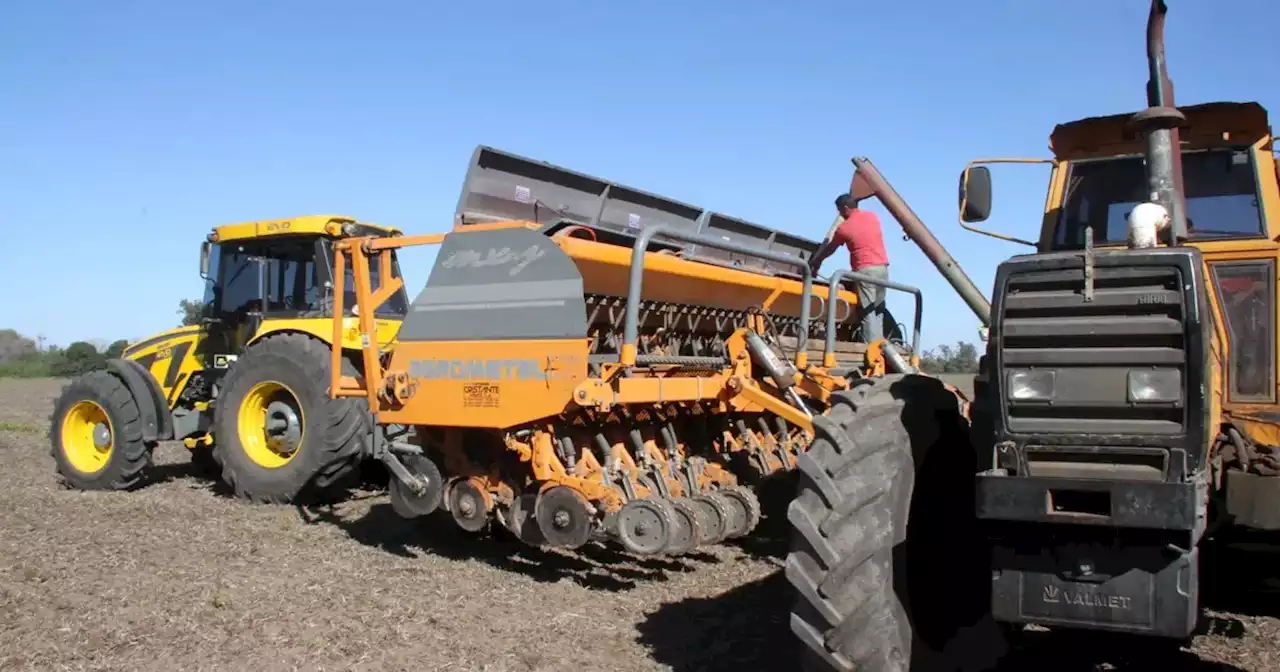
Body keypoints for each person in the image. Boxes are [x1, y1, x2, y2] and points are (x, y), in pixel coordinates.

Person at [808, 193, 890, 342]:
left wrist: (816, 261)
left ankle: (869, 350)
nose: (839, 214)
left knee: (866, 311)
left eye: (839, 210)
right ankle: (880, 347)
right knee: (878, 310)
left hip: (865, 270)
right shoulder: (873, 216)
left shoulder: (844, 228)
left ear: (845, 208)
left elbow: (830, 248)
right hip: (882, 269)